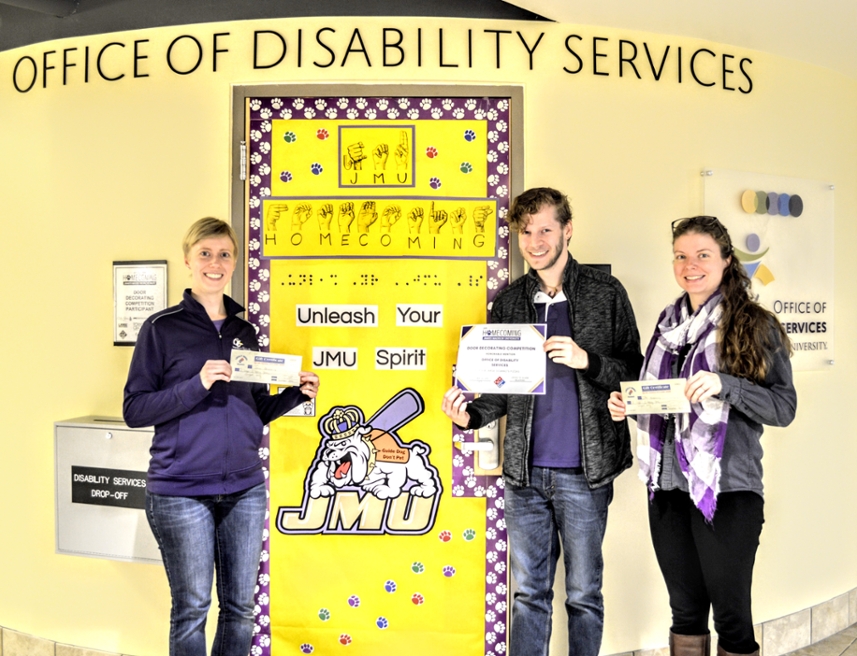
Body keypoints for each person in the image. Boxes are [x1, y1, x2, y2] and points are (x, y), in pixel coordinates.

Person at [442, 187, 642, 656]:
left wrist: (585, 360)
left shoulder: (605, 293)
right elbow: (501, 390)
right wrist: (470, 415)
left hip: (586, 475)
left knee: (583, 596)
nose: (534, 241)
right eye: (525, 231)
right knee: (528, 595)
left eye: (545, 229)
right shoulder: (509, 303)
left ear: (567, 231)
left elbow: (633, 372)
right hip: (524, 477)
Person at [123, 217, 319, 656]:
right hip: (181, 492)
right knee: (192, 608)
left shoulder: (244, 332)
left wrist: (293, 395)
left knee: (241, 608)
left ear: (235, 262)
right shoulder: (162, 328)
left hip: (244, 489)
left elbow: (252, 412)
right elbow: (134, 410)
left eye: (225, 254)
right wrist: (198, 383)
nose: (216, 263)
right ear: (189, 260)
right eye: (206, 254)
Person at [607, 216, 797, 656]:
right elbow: (667, 405)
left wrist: (725, 384)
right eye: (681, 255)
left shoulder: (755, 325)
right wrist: (630, 408)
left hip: (728, 490)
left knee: (731, 619)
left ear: (727, 261)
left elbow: (783, 409)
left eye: (703, 255)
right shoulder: (668, 324)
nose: (690, 265)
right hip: (669, 488)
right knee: (685, 612)